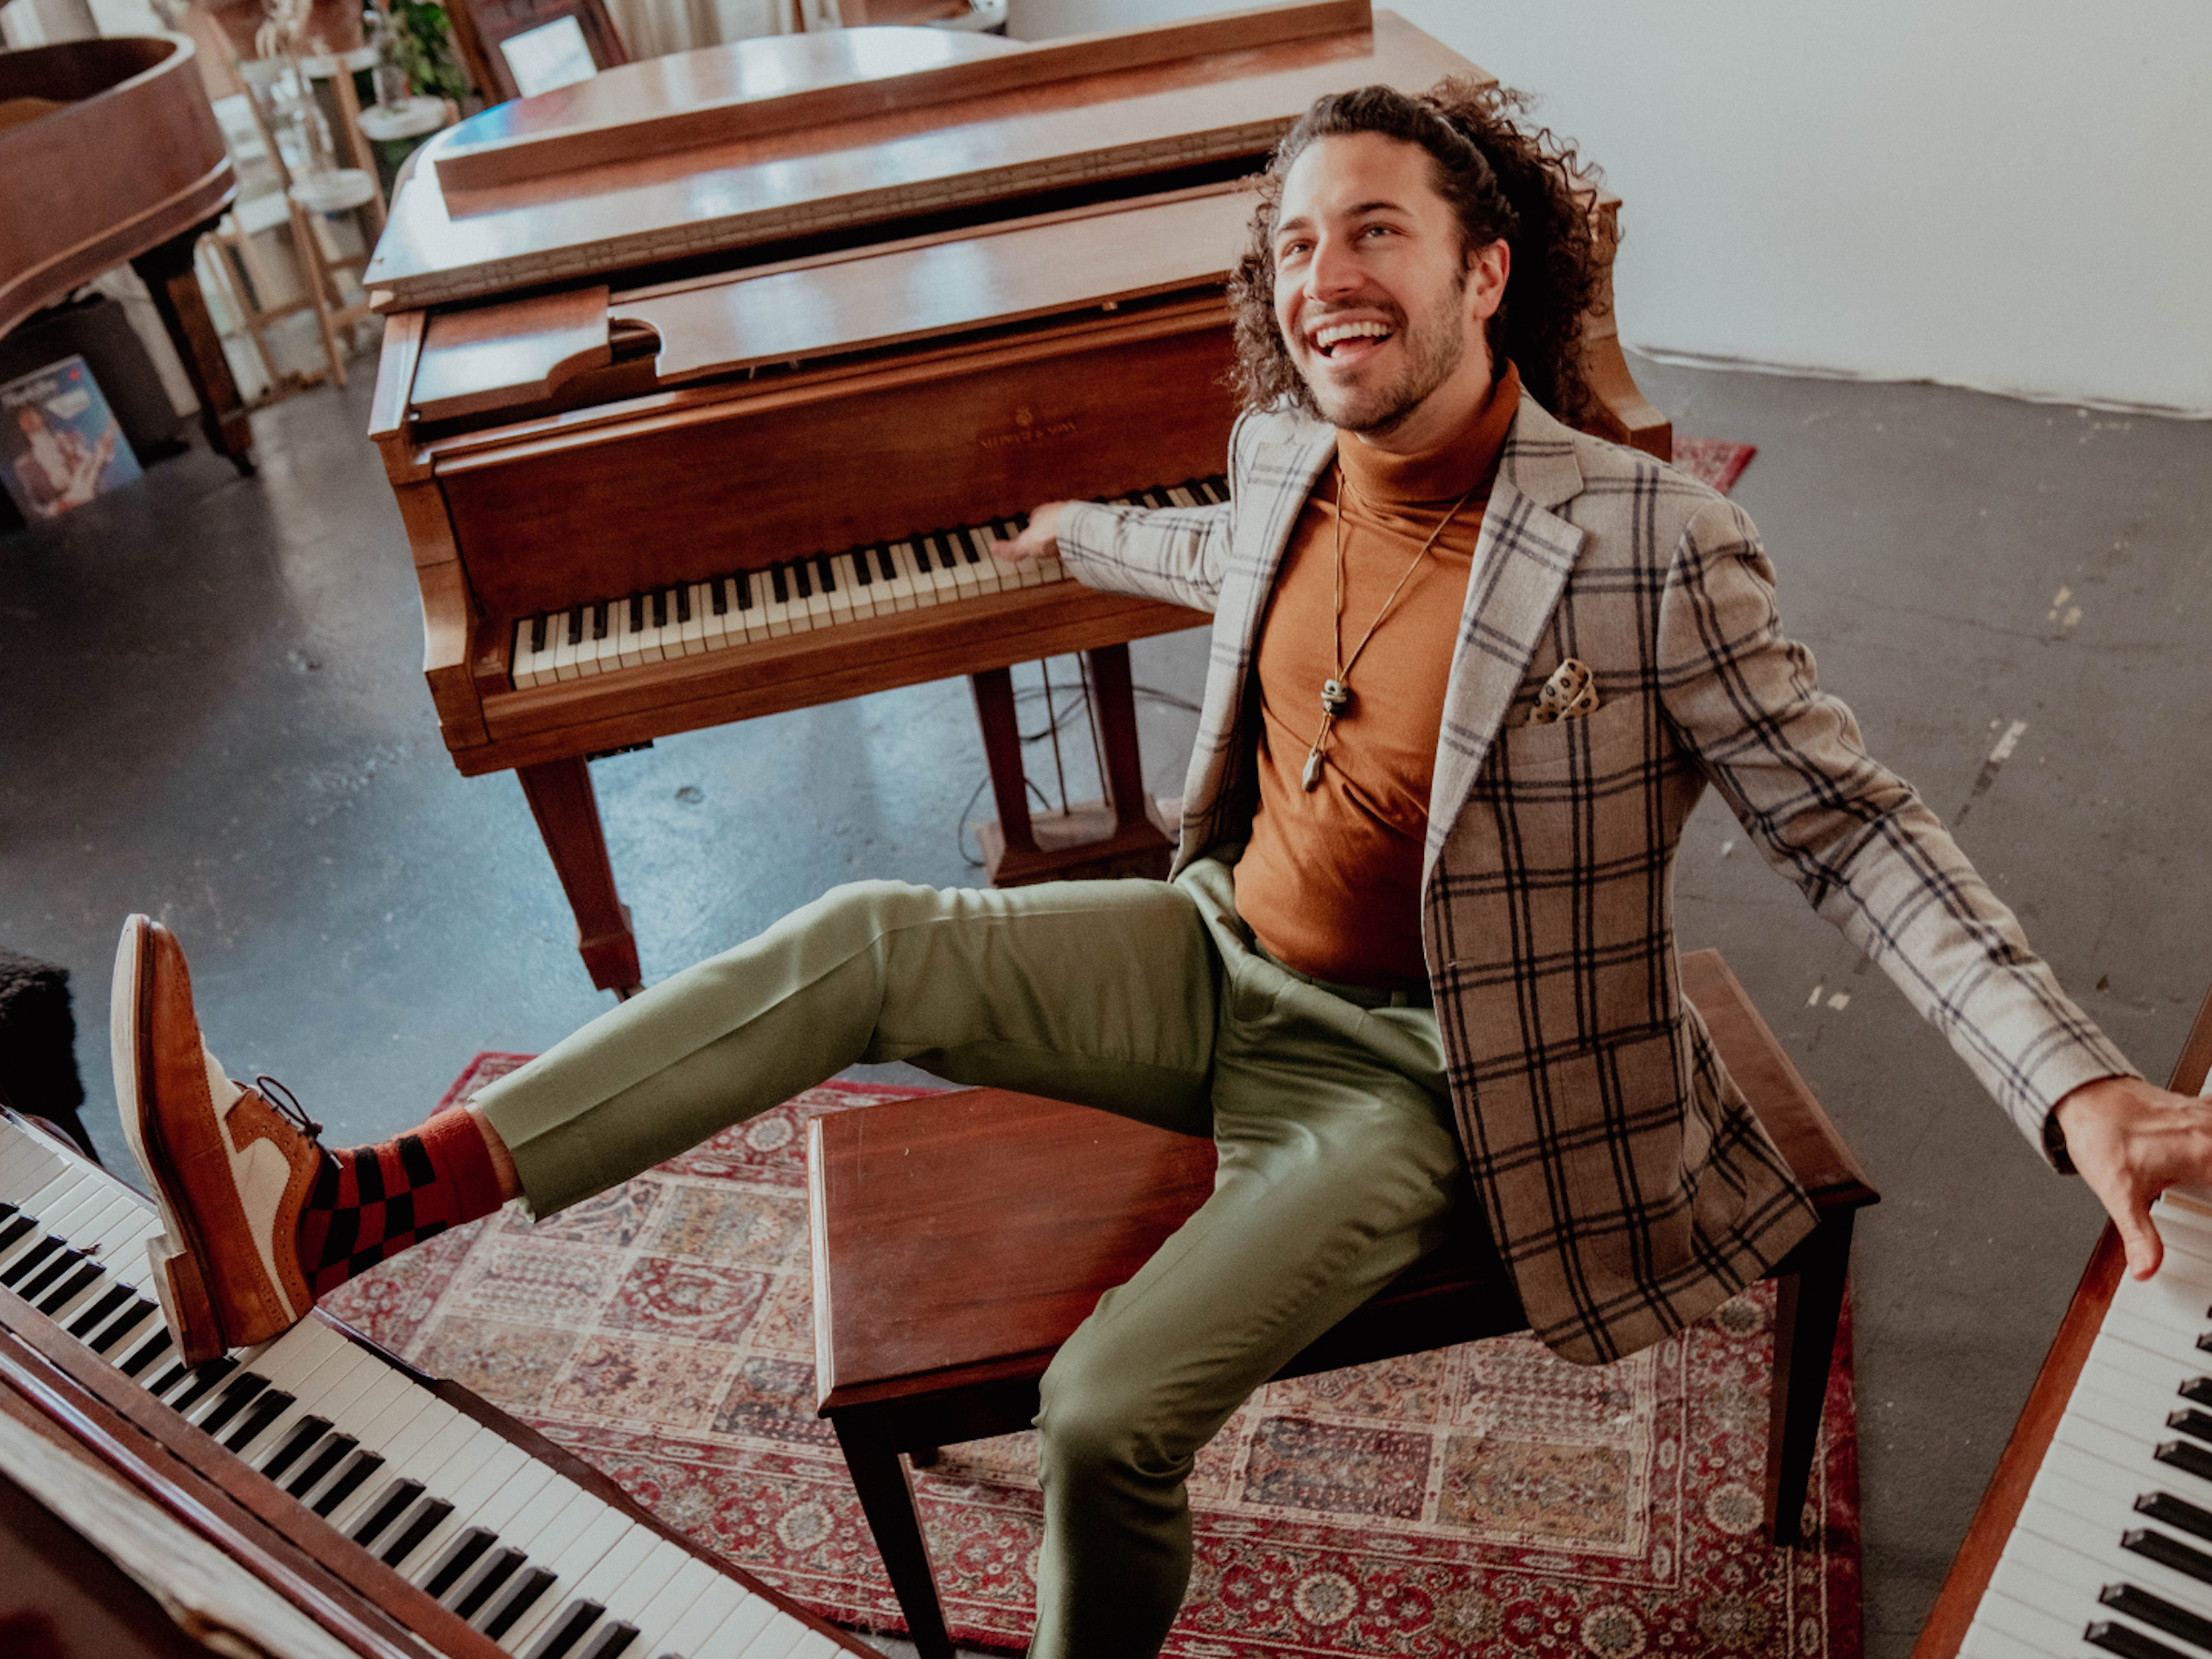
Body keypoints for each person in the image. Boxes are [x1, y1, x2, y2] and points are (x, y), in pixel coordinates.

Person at [116, 79, 2212, 1659]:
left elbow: (1852, 832)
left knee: (1108, 1411)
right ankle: (361, 1206)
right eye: (1294, 246)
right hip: (1219, 958)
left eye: (1373, 232)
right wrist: (1065, 541)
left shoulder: (1653, 545)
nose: (1323, 279)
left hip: (1418, 1078)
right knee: (860, 935)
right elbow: (1223, 550)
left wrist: (2074, 1087)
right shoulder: (1283, 444)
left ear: (1486, 273)